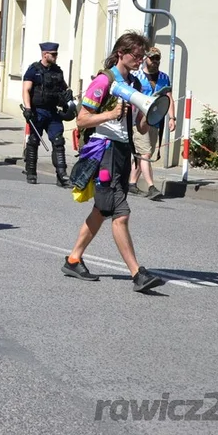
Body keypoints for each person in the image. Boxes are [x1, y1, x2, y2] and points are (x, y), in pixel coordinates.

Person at [63, 32, 164, 293]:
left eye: (142, 57)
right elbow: (82, 120)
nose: (140, 61)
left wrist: (152, 114)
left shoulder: (137, 85)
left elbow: (139, 128)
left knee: (101, 210)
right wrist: (111, 113)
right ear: (121, 53)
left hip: (121, 152)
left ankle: (74, 260)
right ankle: (137, 274)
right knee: (121, 212)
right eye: (136, 56)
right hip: (103, 150)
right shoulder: (103, 80)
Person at [21, 41, 74, 187]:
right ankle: (31, 172)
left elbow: (64, 88)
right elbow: (26, 89)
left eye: (56, 54)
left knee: (58, 142)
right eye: (54, 54)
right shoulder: (34, 70)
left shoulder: (57, 71)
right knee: (33, 141)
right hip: (37, 111)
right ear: (45, 54)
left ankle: (62, 175)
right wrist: (28, 108)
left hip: (52, 111)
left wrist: (68, 96)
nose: (56, 57)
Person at [130, 46, 175, 199]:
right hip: (139, 120)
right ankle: (151, 186)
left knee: (141, 154)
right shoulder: (135, 76)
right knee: (145, 153)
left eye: (157, 59)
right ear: (145, 59)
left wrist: (172, 118)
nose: (155, 62)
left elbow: (168, 98)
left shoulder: (164, 77)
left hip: (156, 121)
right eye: (152, 58)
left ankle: (131, 183)